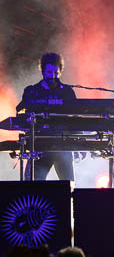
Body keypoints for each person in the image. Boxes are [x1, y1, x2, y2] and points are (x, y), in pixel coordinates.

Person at [18, 52, 77, 181]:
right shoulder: (32, 91)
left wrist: (79, 142)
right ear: (43, 71)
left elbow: (74, 119)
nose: (53, 76)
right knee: (32, 185)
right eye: (49, 72)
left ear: (60, 72)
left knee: (68, 186)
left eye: (56, 73)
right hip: (39, 146)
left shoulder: (67, 92)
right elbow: (20, 113)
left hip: (63, 146)